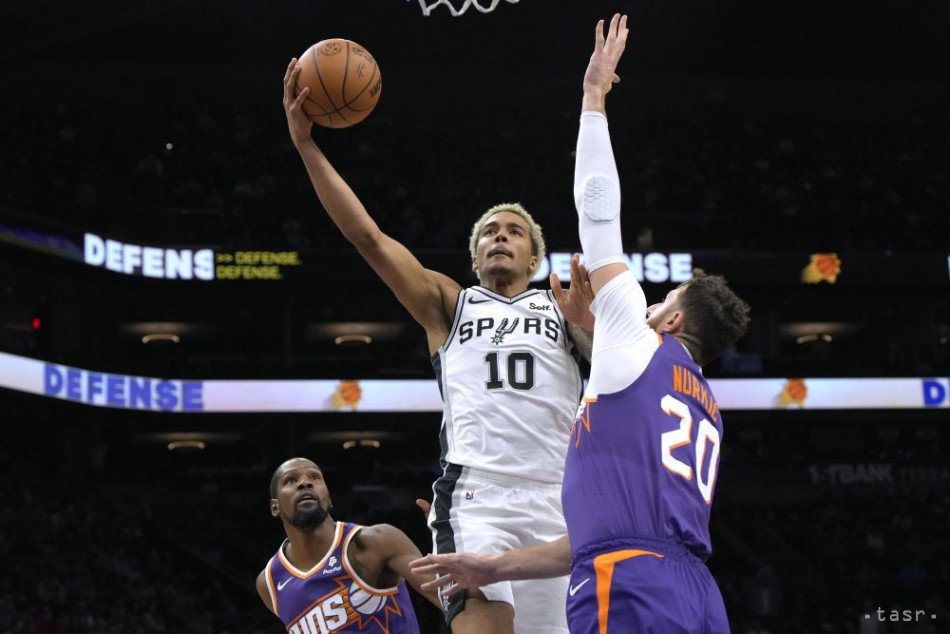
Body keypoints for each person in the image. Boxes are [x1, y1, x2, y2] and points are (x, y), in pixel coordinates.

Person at [411, 15, 750, 634]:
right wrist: (493, 566)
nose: (643, 311)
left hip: (631, 579)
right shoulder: (704, 404)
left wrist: (593, 97)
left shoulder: (636, 343)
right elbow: (588, 533)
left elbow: (598, 209)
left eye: (656, 305)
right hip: (698, 590)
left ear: (671, 318)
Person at [283, 63, 592, 634]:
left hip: (558, 495)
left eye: (513, 232)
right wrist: (306, 146)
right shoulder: (450, 305)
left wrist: (590, 326)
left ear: (533, 260)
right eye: (489, 233)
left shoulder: (563, 307)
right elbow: (367, 238)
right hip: (476, 494)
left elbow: (618, 376)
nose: (499, 235)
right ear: (474, 259)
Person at [256, 457, 439, 633]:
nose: (305, 483)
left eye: (315, 477)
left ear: (328, 498)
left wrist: (449, 541)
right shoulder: (269, 582)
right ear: (275, 506)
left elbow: (453, 600)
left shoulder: (375, 541)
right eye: (290, 480)